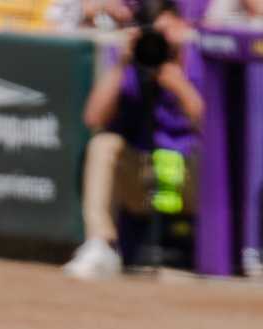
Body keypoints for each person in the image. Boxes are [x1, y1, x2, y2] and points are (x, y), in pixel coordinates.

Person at [62, 0, 206, 280]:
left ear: (181, 26)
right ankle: (100, 245)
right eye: (154, 33)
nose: (159, 41)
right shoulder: (130, 59)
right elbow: (93, 118)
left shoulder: (199, 58)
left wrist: (179, 85)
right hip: (141, 174)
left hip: (190, 176)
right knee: (103, 145)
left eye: (166, 32)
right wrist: (123, 64)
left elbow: (212, 127)